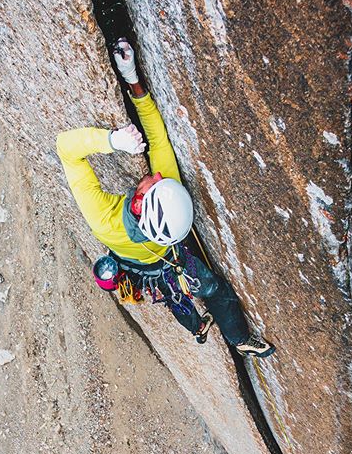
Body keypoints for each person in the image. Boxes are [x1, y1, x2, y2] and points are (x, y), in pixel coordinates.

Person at [56, 39, 274, 358]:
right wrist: (133, 81)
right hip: (171, 261)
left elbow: (67, 150)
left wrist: (112, 140)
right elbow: (157, 140)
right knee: (210, 288)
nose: (158, 176)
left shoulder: (105, 221)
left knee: (175, 297)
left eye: (153, 184)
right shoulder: (158, 194)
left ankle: (198, 329)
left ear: (139, 205)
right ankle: (239, 338)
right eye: (157, 182)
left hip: (142, 263)